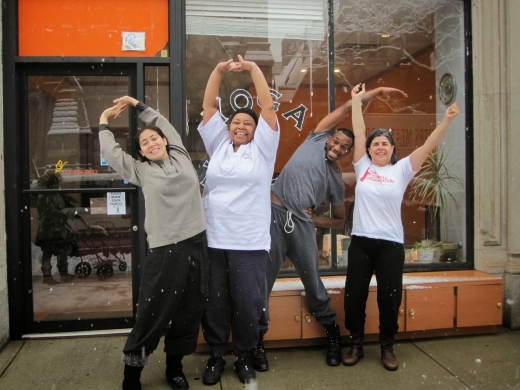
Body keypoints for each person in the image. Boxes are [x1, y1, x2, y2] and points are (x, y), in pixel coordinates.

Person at [256, 85, 408, 369]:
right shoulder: (314, 139)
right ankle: (258, 340)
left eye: (344, 148)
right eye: (336, 141)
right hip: (275, 215)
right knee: (263, 280)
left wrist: (314, 220)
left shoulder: (335, 181)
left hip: (301, 225)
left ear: (349, 153)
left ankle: (333, 335)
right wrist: (374, 93)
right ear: (328, 137)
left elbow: (339, 220)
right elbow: (348, 110)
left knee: (313, 282)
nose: (337, 147)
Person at [343, 84, 460, 371]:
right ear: (369, 150)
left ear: (392, 149)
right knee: (354, 295)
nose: (379, 146)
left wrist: (446, 120)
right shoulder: (363, 167)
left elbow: (428, 146)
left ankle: (387, 346)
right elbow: (358, 131)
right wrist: (356, 101)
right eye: (375, 143)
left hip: (391, 246)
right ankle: (356, 343)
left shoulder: (403, 169)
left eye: (385, 143)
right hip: (361, 241)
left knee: (389, 298)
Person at [99, 96, 208, 390]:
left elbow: (164, 123)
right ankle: (132, 373)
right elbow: (112, 154)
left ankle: (174, 367)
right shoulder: (141, 171)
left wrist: (137, 104)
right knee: (152, 312)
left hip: (197, 244)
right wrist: (104, 123)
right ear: (141, 153)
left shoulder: (181, 156)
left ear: (164, 140)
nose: (151, 144)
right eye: (144, 144)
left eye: (154, 138)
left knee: (189, 310)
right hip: (165, 250)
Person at [198, 55, 279, 385]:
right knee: (215, 303)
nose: (241, 126)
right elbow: (208, 107)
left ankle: (244, 355)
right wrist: (217, 70)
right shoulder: (218, 145)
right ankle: (217, 355)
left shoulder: (263, 150)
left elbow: (268, 109)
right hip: (214, 240)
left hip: (249, 241)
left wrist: (253, 70)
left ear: (256, 130)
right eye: (236, 123)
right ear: (227, 127)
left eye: (248, 123)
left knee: (247, 304)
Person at [35, 173, 78, 285]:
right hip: (49, 231)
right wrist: (65, 213)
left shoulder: (54, 195)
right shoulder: (45, 197)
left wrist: (67, 212)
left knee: (62, 252)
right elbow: (50, 213)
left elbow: (59, 210)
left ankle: (63, 274)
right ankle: (48, 276)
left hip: (58, 230)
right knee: (48, 254)